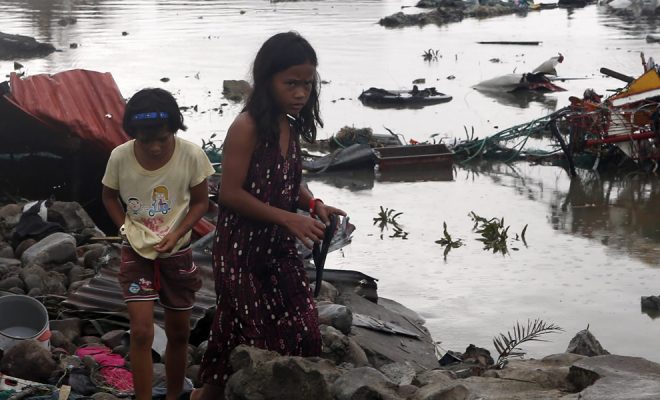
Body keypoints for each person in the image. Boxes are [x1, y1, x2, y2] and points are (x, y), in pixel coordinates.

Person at [196, 31, 346, 399]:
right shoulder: (246, 126)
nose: (300, 93)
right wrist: (287, 218)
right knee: (259, 341)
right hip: (241, 253)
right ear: (267, 81)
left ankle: (206, 393)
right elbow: (228, 194)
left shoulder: (289, 125)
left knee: (304, 333)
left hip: (277, 249)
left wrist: (311, 205)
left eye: (307, 85)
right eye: (290, 83)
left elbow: (286, 178)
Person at [101, 88, 215, 400]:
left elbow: (202, 203)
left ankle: (175, 394)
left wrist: (177, 234)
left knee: (179, 333)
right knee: (141, 332)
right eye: (145, 139)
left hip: (177, 254)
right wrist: (125, 226)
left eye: (162, 139)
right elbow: (109, 197)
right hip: (136, 253)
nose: (153, 146)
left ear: (175, 130)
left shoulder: (191, 155)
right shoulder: (120, 157)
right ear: (133, 133)